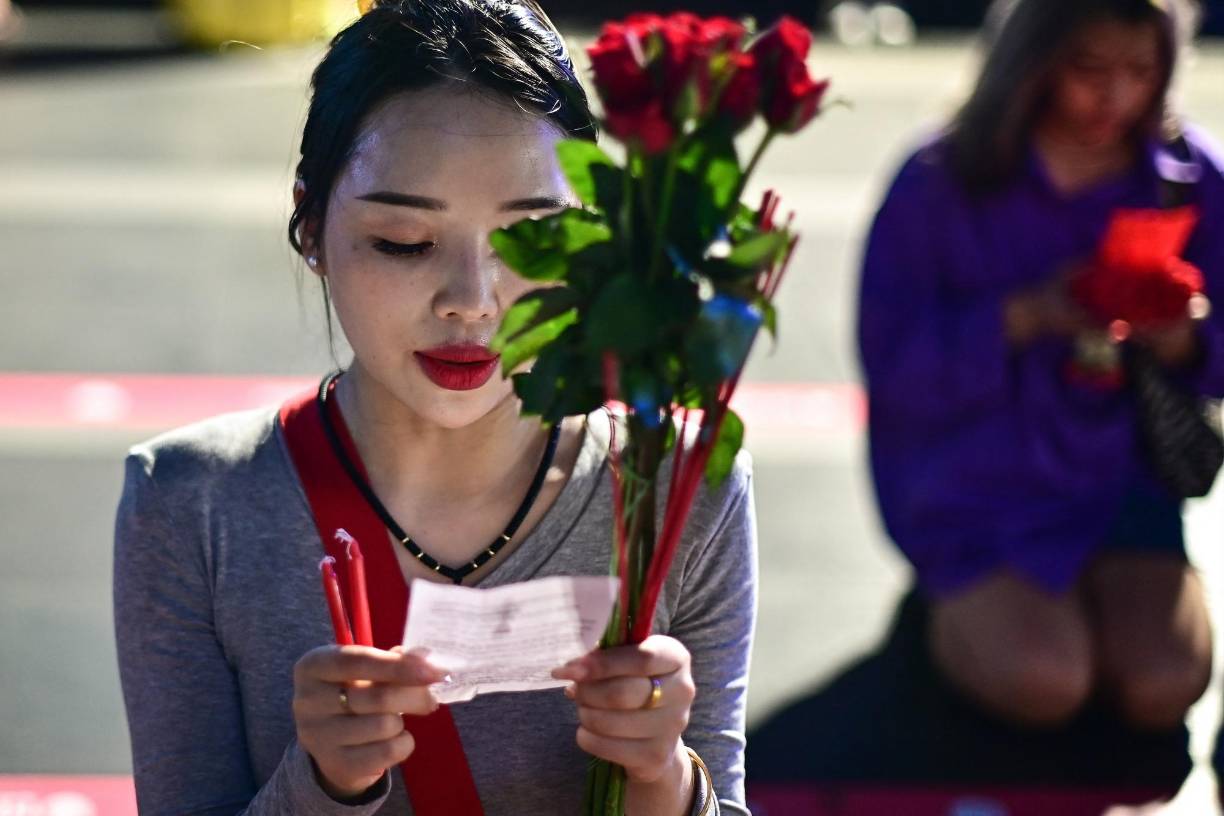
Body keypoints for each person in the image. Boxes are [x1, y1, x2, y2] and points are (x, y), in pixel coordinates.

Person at [112, 2, 757, 814]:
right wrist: (322, 786)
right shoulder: (192, 502)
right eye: (405, 242)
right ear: (311, 227)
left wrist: (665, 779)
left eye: (532, 240)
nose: (472, 302)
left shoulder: (677, 484)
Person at [858, 0, 1223, 730]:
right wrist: (1022, 316)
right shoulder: (940, 178)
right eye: (1089, 69)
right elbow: (894, 370)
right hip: (974, 489)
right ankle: (944, 616)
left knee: (1165, 683)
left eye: (1140, 72)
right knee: (1047, 684)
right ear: (1031, 63)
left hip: (1123, 491)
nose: (1116, 97)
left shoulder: (1188, 175)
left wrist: (1181, 339)